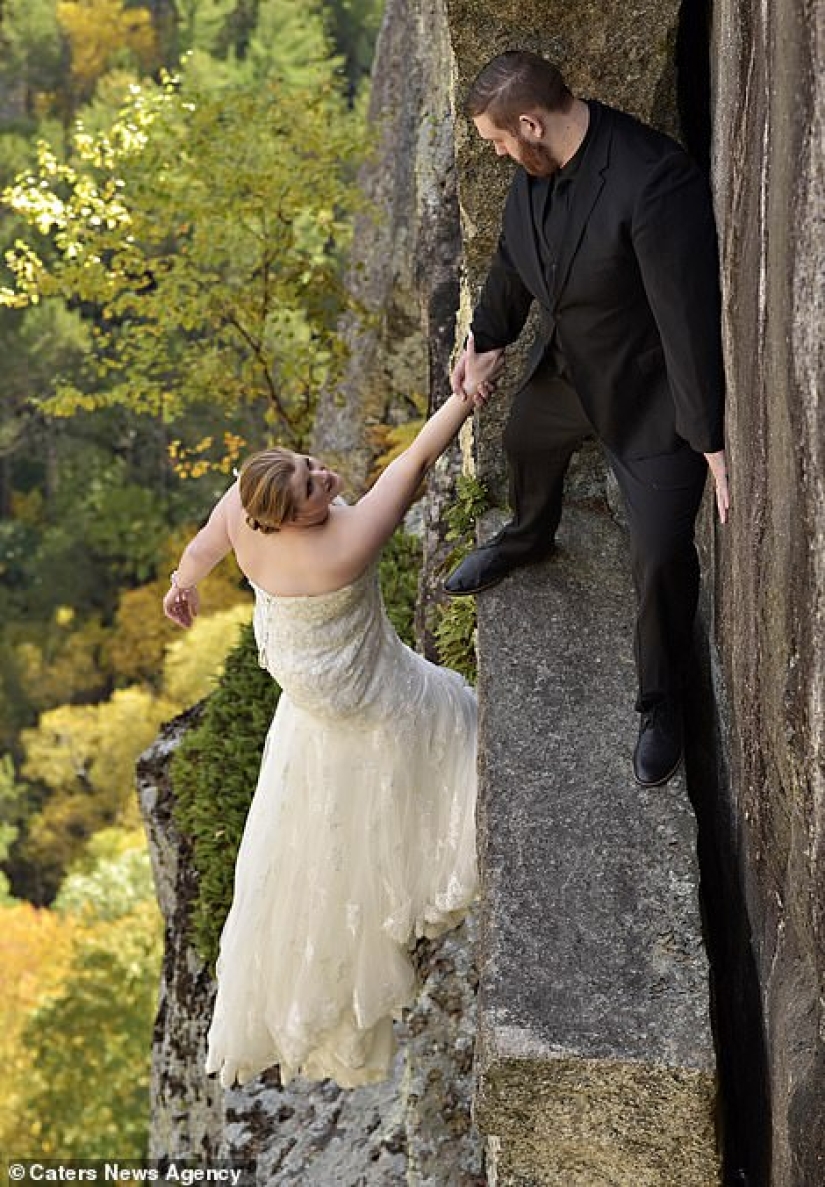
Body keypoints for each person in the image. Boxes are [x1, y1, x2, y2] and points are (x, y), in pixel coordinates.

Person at [163, 385, 489, 1087]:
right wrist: (464, 393)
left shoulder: (246, 506)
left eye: (311, 465)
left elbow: (201, 547)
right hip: (360, 687)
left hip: (303, 680)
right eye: (313, 488)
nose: (325, 479)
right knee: (448, 724)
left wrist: (181, 583)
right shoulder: (344, 544)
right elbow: (416, 459)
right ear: (287, 519)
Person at [445, 50, 730, 788]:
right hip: (570, 368)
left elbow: (685, 320)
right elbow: (513, 259)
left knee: (660, 556)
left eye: (500, 141)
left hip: (648, 398)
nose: (500, 153)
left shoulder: (653, 179)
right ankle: (528, 537)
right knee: (522, 439)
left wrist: (710, 440)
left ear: (530, 123)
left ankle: (660, 703)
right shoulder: (536, 168)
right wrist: (485, 343)